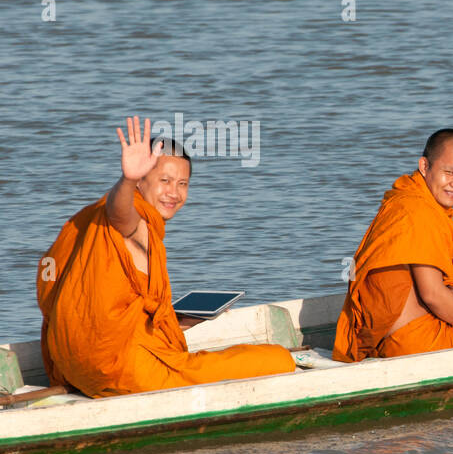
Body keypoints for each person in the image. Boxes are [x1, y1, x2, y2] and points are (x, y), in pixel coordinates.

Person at [37, 116, 296, 398]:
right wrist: (127, 178)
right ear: (141, 183)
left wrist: (178, 321)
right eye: (164, 180)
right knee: (279, 359)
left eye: (182, 183)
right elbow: (119, 215)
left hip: (71, 363)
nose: (174, 193)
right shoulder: (135, 220)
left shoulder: (86, 219)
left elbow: (109, 303)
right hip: (118, 368)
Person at [333, 129, 453, 361]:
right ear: (425, 166)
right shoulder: (418, 211)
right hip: (409, 340)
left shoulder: (414, 197)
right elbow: (432, 294)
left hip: (395, 325)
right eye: (449, 172)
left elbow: (426, 273)